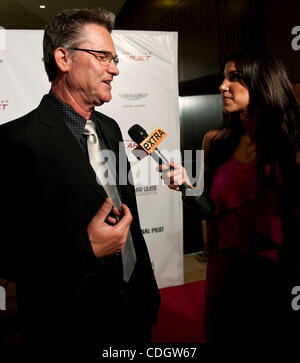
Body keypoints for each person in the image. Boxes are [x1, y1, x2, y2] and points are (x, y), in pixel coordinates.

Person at [0, 8, 160, 352]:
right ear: (63, 58)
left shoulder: (111, 129)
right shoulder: (13, 141)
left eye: (114, 59)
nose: (114, 69)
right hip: (70, 326)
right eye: (103, 56)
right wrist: (83, 249)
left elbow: (124, 211)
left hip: (134, 308)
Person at [160, 47, 300, 344]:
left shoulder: (291, 146)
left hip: (274, 277)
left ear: (263, 82)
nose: (222, 86)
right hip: (223, 272)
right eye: (223, 78)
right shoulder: (215, 142)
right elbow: (209, 208)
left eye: (234, 77)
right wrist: (187, 185)